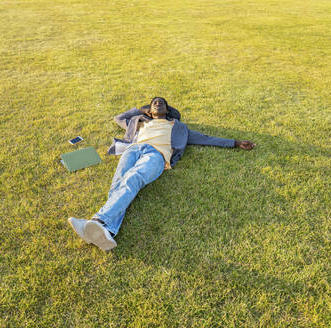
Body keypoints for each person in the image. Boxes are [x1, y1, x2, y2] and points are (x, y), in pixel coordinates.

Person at [68, 97, 255, 251]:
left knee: (133, 178)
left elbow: (207, 138)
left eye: (161, 102)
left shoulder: (178, 127)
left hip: (156, 155)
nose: (157, 103)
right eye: (154, 102)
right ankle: (107, 232)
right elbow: (119, 117)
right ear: (148, 110)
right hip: (133, 150)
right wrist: (140, 110)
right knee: (118, 183)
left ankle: (98, 221)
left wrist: (235, 142)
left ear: (167, 109)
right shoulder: (139, 122)